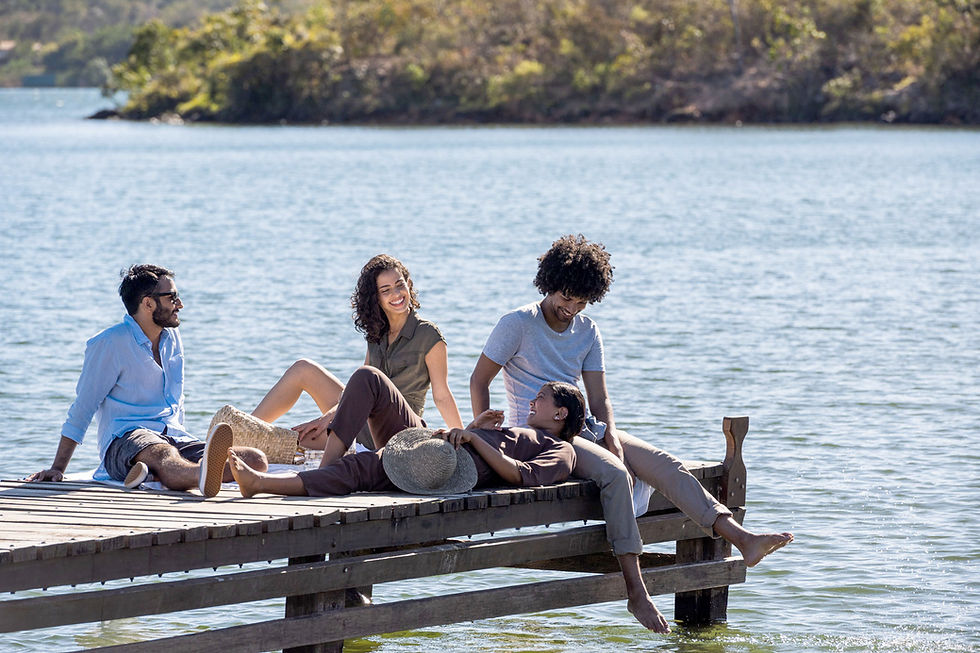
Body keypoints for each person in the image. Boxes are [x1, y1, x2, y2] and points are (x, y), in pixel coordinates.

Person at [469, 235, 793, 633]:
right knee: (616, 475)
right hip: (543, 435)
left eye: (581, 302)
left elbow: (600, 397)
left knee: (665, 465)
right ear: (548, 282)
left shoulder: (587, 331)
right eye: (566, 297)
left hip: (584, 428)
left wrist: (614, 438)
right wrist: (489, 432)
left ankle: (742, 538)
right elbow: (478, 379)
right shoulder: (517, 324)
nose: (570, 308)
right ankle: (636, 593)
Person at [27, 264, 268, 497]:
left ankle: (165, 475)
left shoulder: (172, 337)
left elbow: (177, 399)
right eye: (172, 297)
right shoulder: (109, 344)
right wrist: (58, 468)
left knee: (254, 460)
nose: (180, 305)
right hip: (126, 439)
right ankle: (190, 474)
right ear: (148, 303)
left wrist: (186, 442)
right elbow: (83, 407)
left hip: (173, 434)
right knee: (163, 455)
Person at [227, 366, 577, 499]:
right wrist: (474, 430)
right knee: (369, 378)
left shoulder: (562, 450)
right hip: (440, 443)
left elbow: (521, 476)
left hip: (441, 465)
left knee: (364, 468)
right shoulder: (522, 430)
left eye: (542, 398)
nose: (534, 400)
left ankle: (260, 484)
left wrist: (473, 440)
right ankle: (324, 471)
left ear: (561, 413)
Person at [251, 254, 464, 450]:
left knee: (295, 441)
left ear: (408, 285)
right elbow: (360, 387)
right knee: (303, 369)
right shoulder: (377, 333)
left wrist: (464, 439)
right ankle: (245, 429)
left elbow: (442, 395)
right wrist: (332, 414)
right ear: (376, 298)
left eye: (400, 285)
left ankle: (248, 445)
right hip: (363, 417)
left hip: (396, 430)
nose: (396, 294)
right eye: (386, 290)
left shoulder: (428, 334)